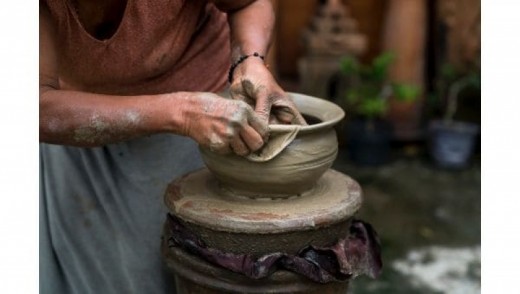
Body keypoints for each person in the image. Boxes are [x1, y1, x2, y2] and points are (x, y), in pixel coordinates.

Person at [39, 0, 305, 292]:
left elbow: (248, 3)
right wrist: (181, 112)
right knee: (78, 262)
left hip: (200, 104)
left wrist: (249, 61)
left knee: (164, 265)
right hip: (75, 115)